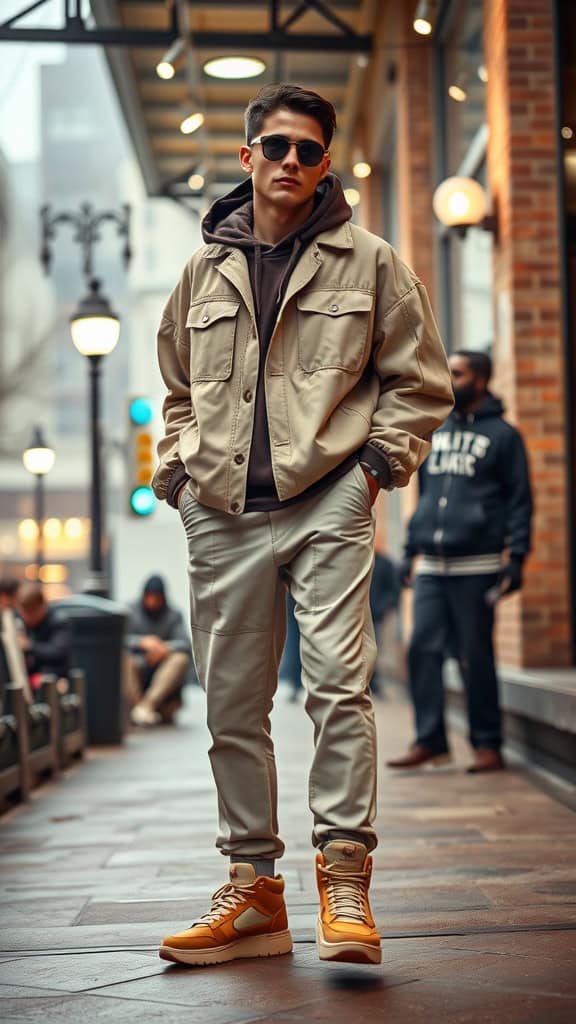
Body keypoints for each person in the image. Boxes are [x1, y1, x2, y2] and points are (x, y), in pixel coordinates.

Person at [152, 83, 453, 968]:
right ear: (246, 158)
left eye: (307, 151)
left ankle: (346, 879)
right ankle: (253, 893)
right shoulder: (201, 274)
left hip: (329, 499)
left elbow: (418, 381)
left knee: (335, 686)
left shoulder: (372, 263)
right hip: (222, 513)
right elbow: (176, 390)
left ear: (325, 164)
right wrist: (176, 472)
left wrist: (373, 471)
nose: (290, 162)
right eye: (275, 147)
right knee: (233, 705)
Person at [388, 350, 532, 775]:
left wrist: (517, 557)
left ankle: (488, 744)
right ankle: (430, 741)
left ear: (481, 379)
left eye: (458, 373)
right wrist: (410, 550)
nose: (450, 379)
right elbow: (426, 496)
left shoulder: (504, 436)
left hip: (479, 563)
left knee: (475, 655)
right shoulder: (436, 431)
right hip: (432, 563)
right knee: (421, 651)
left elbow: (520, 502)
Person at [125, 575, 192, 726]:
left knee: (180, 659)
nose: (152, 601)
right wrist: (142, 642)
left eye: (156, 597)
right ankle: (139, 707)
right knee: (123, 659)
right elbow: (119, 639)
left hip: (163, 676)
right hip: (139, 667)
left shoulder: (173, 615)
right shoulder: (130, 611)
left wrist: (164, 648)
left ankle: (146, 706)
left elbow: (185, 643)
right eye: (149, 597)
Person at [15, 582, 69, 687]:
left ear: (41, 607)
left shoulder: (57, 621)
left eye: (31, 613)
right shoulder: (20, 622)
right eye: (24, 613)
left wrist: (29, 646)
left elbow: (58, 652)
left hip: (54, 680)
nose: (27, 618)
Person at [368, 552, 401, 697]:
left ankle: (371, 683)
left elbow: (394, 590)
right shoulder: (354, 558)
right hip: (354, 613)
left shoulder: (385, 564)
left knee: (373, 649)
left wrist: (383, 608)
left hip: (376, 615)